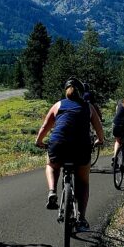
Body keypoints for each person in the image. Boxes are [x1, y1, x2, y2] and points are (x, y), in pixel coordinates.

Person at [35, 77, 105, 231]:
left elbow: (45, 126)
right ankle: (81, 218)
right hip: (81, 147)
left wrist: (39, 141)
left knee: (52, 164)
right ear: (81, 93)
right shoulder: (88, 107)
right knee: (83, 182)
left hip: (59, 144)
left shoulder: (58, 105)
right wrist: (100, 140)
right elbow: (99, 128)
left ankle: (52, 191)